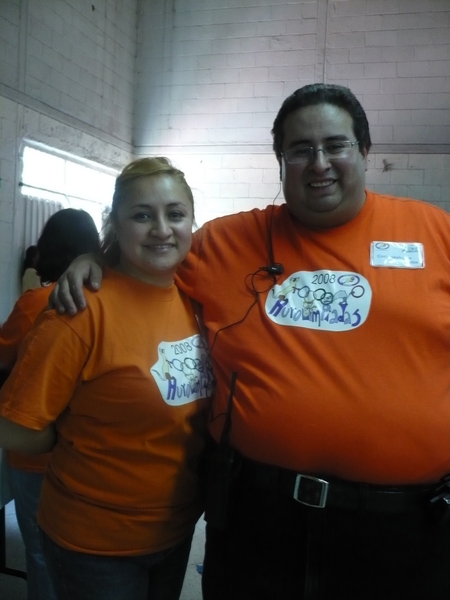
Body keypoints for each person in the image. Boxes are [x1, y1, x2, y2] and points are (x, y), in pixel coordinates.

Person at [49, 84, 450, 600]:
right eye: (300, 150)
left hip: (403, 529)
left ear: (365, 150)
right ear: (281, 161)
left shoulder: (435, 235)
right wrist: (96, 260)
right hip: (258, 517)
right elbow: (150, 257)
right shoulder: (224, 243)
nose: (319, 163)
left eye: (335, 145)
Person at [0, 157, 214, 600]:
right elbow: (15, 429)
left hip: (174, 530)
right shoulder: (79, 312)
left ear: (192, 221)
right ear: (114, 223)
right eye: (142, 215)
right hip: (95, 542)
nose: (161, 229)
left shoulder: (196, 298)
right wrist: (80, 434)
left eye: (175, 214)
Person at [0, 208, 100, 600]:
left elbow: (2, 356)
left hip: (34, 454)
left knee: (41, 552)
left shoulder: (36, 302)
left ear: (48, 247)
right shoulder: (107, 301)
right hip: (85, 454)